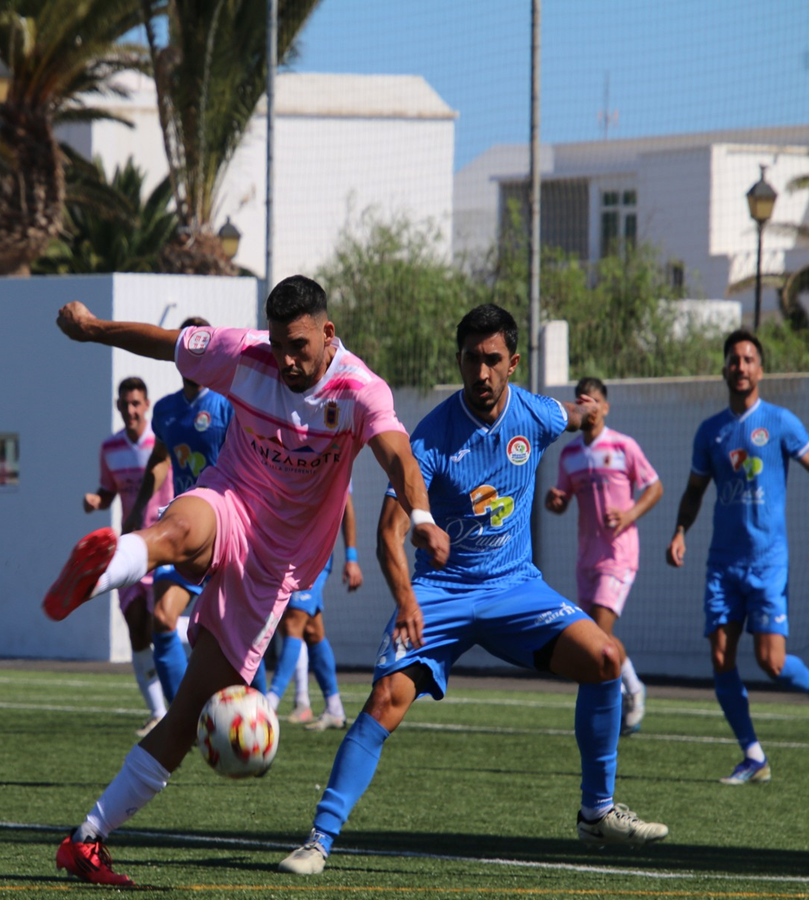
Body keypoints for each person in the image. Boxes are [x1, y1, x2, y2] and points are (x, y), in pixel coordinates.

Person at [43, 274, 445, 887]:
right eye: (280, 343)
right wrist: (93, 328)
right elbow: (164, 341)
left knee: (184, 718)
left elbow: (398, 453)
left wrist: (419, 516)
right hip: (229, 502)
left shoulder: (360, 390)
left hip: (275, 568)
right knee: (177, 531)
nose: (286, 359)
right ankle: (104, 567)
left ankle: (86, 841)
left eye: (300, 347)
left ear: (328, 333)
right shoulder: (243, 351)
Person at [279, 304, 668, 877]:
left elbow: (571, 414)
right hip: (439, 593)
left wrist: (589, 414)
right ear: (457, 361)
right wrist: (408, 599)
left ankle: (597, 810)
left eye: (492, 360)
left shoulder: (534, 414)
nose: (481, 373)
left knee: (607, 658)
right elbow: (390, 534)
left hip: (515, 589)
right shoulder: (430, 437)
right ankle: (318, 840)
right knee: (383, 704)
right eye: (470, 360)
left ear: (512, 363)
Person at [665, 328, 809, 784]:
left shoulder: (780, 422)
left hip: (768, 563)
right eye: (733, 359)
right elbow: (694, 490)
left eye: (748, 360)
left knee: (772, 663)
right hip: (722, 565)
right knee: (721, 656)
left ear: (760, 370)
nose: (740, 367)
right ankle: (754, 755)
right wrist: (681, 530)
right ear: (724, 368)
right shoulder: (710, 432)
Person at [123, 317, 233, 703]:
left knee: (233, 638)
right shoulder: (167, 411)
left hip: (225, 531)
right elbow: (159, 459)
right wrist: (138, 510)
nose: (196, 356)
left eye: (204, 348)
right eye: (189, 348)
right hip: (185, 527)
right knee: (163, 620)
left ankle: (259, 707)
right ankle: (179, 716)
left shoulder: (228, 404)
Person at [545, 377, 663, 735]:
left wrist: (629, 515)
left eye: (594, 401)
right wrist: (556, 502)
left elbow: (654, 486)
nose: (589, 407)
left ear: (605, 407)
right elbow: (561, 502)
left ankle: (630, 694)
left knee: (598, 631)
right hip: (587, 557)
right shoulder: (570, 453)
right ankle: (630, 688)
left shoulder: (624, 447)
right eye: (583, 401)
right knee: (595, 636)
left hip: (620, 553)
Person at [87, 377, 177, 737]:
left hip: (164, 547)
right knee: (137, 625)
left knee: (164, 620)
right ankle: (158, 712)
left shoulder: (162, 445)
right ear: (118, 406)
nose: (131, 410)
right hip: (129, 548)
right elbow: (107, 492)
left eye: (137, 403)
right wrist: (96, 501)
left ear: (147, 404)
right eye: (125, 404)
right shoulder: (110, 448)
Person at [267, 490, 361, 731]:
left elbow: (346, 505)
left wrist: (351, 558)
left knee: (292, 624)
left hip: (315, 554)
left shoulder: (334, 453)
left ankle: (270, 703)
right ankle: (334, 708)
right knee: (313, 631)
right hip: (287, 550)